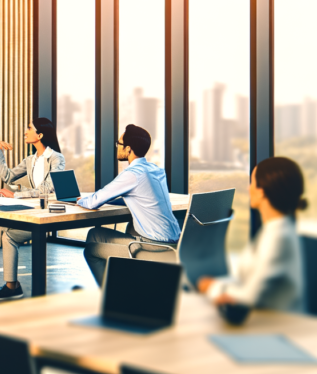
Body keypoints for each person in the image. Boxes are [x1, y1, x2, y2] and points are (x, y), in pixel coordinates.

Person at [76, 124, 182, 285]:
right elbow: (141, 196)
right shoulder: (155, 169)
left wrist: (79, 200)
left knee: (91, 251)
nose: (117, 147)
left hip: (153, 245)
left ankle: (113, 298)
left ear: (128, 149)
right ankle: (128, 285)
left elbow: (93, 202)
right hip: (175, 241)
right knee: (95, 234)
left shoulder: (132, 174)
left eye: (119, 144)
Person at [198, 157, 307, 312]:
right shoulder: (273, 230)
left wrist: (213, 287)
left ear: (262, 191)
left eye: (252, 183)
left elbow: (251, 297)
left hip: (276, 325)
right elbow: (248, 281)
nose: (249, 188)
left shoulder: (279, 238)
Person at [0, 118, 66, 300]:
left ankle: (12, 287)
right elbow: (8, 176)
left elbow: (47, 188)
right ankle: (12, 286)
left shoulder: (56, 158)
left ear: (40, 135)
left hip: (48, 214)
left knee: (9, 237)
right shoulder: (30, 160)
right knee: (8, 235)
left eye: (29, 128)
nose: (25, 131)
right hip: (33, 212)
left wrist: (16, 195)